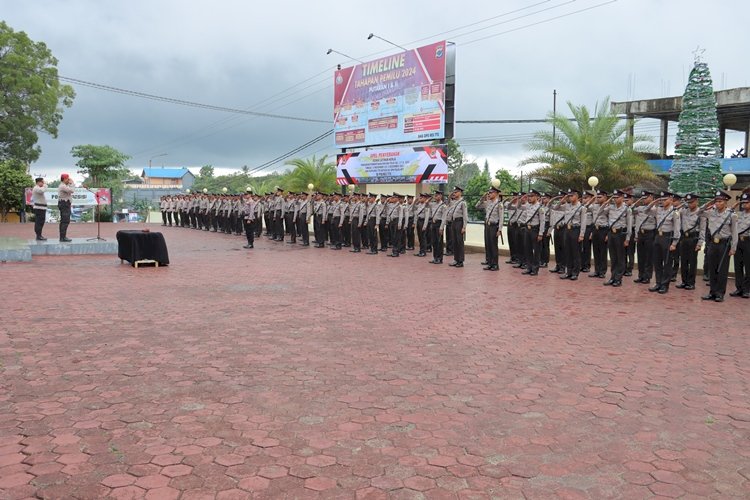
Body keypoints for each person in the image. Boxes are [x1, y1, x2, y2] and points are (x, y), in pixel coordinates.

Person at [700, 190, 737, 302]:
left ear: (725, 202)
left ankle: (720, 293)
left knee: (722, 270)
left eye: (720, 201)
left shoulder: (731, 215)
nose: (717, 203)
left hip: (724, 245)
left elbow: (734, 232)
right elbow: (699, 212)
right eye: (716, 201)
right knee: (712, 269)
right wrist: (709, 203)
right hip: (712, 244)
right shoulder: (711, 212)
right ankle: (712, 292)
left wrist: (733, 248)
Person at [645, 191, 681, 294]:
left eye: (665, 200)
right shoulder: (658, 209)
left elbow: (677, 229)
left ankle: (665, 285)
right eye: (661, 200)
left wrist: (674, 243)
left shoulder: (674, 212)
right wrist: (655, 201)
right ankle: (658, 282)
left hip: (668, 237)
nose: (663, 202)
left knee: (667, 263)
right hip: (658, 237)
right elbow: (646, 211)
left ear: (671, 199)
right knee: (657, 262)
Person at [599, 189, 632, 287]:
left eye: (617, 197)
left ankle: (618, 278)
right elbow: (600, 212)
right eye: (614, 197)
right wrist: (607, 201)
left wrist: (627, 238)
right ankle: (613, 277)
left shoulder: (627, 209)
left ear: (622, 198)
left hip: (620, 234)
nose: (615, 199)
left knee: (620, 257)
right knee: (613, 257)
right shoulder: (610, 207)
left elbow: (629, 225)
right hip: (611, 233)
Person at [676, 193, 703, 291]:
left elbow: (703, 229)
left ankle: (691, 283)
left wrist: (700, 243)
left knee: (692, 262)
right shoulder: (683, 211)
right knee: (683, 261)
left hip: (693, 239)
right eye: (688, 202)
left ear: (696, 201)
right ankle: (684, 281)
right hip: (684, 238)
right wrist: (683, 204)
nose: (690, 204)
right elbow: (675, 211)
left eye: (691, 202)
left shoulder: (701, 213)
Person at [518, 190, 546, 275]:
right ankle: (529, 267)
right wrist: (522, 198)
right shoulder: (528, 206)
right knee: (527, 249)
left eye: (531, 196)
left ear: (537, 197)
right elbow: (518, 206)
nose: (529, 198)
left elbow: (542, 221)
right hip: (527, 229)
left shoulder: (540, 208)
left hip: (535, 230)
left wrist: (541, 233)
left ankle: (535, 269)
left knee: (536, 251)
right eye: (529, 196)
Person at [476, 187, 503, 271]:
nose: (489, 194)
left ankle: (495, 265)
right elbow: (477, 206)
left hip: (494, 226)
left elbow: (501, 218)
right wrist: (482, 198)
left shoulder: (499, 204)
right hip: (487, 226)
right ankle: (490, 263)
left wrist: (500, 229)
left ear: (496, 193)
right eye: (489, 193)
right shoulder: (488, 203)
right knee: (488, 245)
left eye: (491, 193)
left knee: (493, 246)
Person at [631, 191, 656, 284]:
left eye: (645, 198)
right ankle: (640, 275)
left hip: (650, 234)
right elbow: (630, 209)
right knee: (640, 256)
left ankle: (647, 276)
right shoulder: (640, 208)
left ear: (651, 197)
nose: (644, 199)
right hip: (640, 234)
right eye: (643, 198)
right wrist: (639, 200)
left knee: (648, 256)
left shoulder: (655, 209)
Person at [730, 192, 750, 298]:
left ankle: (747, 289)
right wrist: (734, 206)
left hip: (748, 241)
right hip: (738, 241)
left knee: (748, 267)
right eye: (743, 202)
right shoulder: (738, 214)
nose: (744, 204)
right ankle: (739, 288)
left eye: (746, 202)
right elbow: (728, 215)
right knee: (738, 266)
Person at [446, 186, 469, 267]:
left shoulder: (463, 203)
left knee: (459, 242)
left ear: (460, 193)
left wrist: (464, 227)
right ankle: (456, 259)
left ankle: (460, 261)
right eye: (454, 192)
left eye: (456, 192)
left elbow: (465, 216)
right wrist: (450, 195)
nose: (454, 194)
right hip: (453, 222)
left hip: (459, 222)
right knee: (454, 241)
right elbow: (447, 202)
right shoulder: (454, 202)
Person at [429, 191, 447, 264]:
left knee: (439, 242)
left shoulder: (443, 206)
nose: (436, 197)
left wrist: (441, 228)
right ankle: (435, 257)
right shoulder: (433, 204)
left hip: (439, 224)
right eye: (435, 195)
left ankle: (439, 258)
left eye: (438, 195)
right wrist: (431, 198)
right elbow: (426, 204)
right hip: (433, 224)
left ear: (441, 196)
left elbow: (444, 217)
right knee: (434, 242)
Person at [57, 173, 74, 242]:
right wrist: (72, 183)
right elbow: (71, 190)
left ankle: (62, 237)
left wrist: (69, 184)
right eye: (67, 179)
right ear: (64, 179)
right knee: (65, 221)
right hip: (64, 204)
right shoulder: (62, 186)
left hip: (65, 204)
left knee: (64, 221)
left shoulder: (64, 185)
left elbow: (69, 190)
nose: (69, 180)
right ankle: (62, 237)